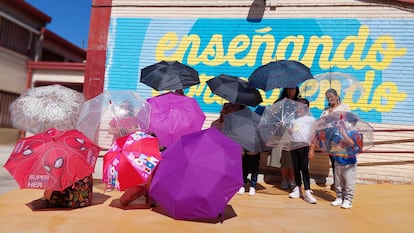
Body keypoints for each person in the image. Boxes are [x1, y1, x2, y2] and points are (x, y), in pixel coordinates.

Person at [310, 88, 350, 190]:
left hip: (340, 138)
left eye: (332, 97)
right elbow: (320, 123)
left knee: (341, 161)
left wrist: (334, 114)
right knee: (333, 161)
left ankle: (343, 183)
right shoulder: (325, 110)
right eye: (328, 97)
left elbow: (347, 121)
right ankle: (337, 182)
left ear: (337, 96)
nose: (330, 99)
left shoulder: (344, 107)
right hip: (329, 139)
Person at [328, 112, 362, 209]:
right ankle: (339, 197)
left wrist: (344, 135)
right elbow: (334, 145)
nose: (348, 123)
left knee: (348, 182)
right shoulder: (337, 132)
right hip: (338, 160)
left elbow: (351, 143)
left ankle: (348, 199)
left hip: (349, 162)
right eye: (347, 121)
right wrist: (338, 143)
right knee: (338, 182)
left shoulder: (355, 132)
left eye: (351, 122)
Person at [288, 98, 317, 204]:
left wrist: (311, 149)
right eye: (297, 106)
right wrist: (290, 131)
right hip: (294, 144)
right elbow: (292, 133)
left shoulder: (310, 119)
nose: (298, 109)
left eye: (301, 107)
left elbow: (313, 135)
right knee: (295, 168)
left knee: (304, 168)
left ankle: (307, 190)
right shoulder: (293, 119)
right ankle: (297, 188)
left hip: (304, 145)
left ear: (306, 108)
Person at [274, 87, 300, 189]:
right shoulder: (280, 102)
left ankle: (292, 179)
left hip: (296, 132)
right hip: (283, 132)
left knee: (294, 158)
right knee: (284, 158)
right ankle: (284, 179)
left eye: (293, 89)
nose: (290, 92)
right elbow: (273, 115)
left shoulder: (299, 102)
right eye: (288, 89)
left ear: (296, 90)